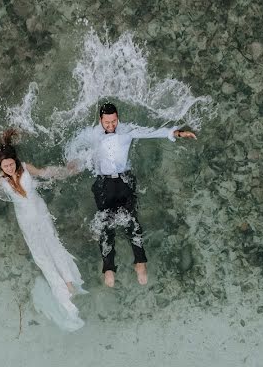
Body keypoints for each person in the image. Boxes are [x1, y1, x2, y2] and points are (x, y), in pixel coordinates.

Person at [67, 100, 196, 287]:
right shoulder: (92, 134)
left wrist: (175, 133)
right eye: (107, 122)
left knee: (132, 221)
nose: (111, 126)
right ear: (100, 120)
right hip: (103, 183)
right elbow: (75, 142)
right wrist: (73, 159)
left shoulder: (126, 130)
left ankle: (140, 262)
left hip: (124, 180)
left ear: (118, 118)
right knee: (106, 224)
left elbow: (149, 132)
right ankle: (109, 268)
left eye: (114, 122)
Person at [0, 129, 86, 331]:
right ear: (0, 167)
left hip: (40, 212)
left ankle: (70, 282)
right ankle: (63, 293)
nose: (9, 168)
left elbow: (46, 173)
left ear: (15, 161)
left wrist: (67, 171)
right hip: (25, 220)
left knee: (53, 245)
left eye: (11, 163)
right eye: (5, 166)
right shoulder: (1, 180)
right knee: (41, 256)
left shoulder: (26, 168)